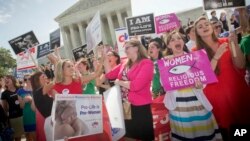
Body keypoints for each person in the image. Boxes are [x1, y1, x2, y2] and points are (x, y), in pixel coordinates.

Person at [194, 16, 250, 141]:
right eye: (200, 26)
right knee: (229, 133)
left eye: (206, 24)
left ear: (212, 27)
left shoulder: (226, 41)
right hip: (217, 100)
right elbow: (204, 78)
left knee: (243, 131)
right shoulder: (195, 52)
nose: (204, 27)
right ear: (196, 32)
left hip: (237, 92)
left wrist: (234, 44)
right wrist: (217, 55)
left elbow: (240, 65)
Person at [163, 30, 221, 140]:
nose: (177, 41)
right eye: (172, 40)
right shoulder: (165, 62)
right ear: (169, 45)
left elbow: (203, 79)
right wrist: (167, 67)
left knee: (205, 135)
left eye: (179, 38)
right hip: (178, 108)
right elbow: (164, 84)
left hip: (197, 103)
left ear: (183, 41)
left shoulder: (195, 58)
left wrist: (200, 85)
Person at [104, 39, 155, 140]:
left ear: (136, 48)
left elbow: (136, 85)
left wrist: (120, 82)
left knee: (144, 136)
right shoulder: (124, 63)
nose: (125, 50)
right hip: (125, 106)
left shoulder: (146, 63)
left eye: (127, 48)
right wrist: (104, 57)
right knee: (128, 136)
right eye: (124, 48)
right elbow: (109, 75)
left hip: (140, 106)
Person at [30, 72, 54, 141]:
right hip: (46, 120)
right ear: (38, 80)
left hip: (51, 119)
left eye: (45, 76)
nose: (46, 77)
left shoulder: (41, 90)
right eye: (43, 77)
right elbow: (56, 81)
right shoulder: (39, 91)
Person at [1, 75, 24, 141]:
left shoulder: (20, 88)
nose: (6, 80)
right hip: (13, 117)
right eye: (5, 79)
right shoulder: (4, 93)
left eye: (8, 78)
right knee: (13, 136)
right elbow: (4, 108)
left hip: (23, 115)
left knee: (20, 136)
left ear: (13, 79)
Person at [17, 75, 36, 141]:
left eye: (29, 79)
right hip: (26, 117)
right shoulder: (20, 91)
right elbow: (21, 106)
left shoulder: (36, 90)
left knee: (35, 137)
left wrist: (31, 100)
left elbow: (39, 106)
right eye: (25, 79)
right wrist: (24, 101)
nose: (28, 81)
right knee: (28, 137)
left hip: (35, 116)